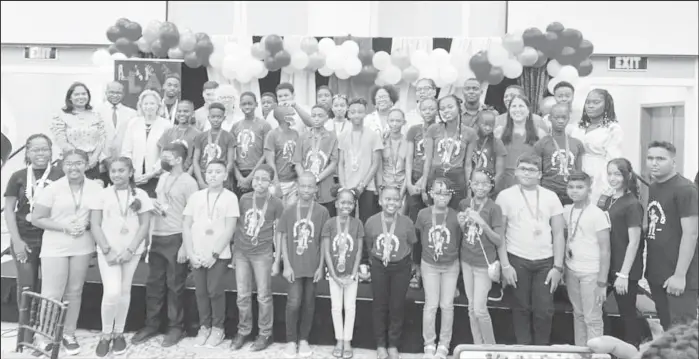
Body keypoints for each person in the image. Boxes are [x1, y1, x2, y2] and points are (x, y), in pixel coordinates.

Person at [31, 149, 103, 355]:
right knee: (52, 293)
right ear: (62, 166)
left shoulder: (95, 188)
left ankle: (68, 333)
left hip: (82, 245)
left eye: (79, 163)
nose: (74, 167)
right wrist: (64, 227)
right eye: (69, 163)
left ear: (86, 165)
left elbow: (97, 217)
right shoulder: (52, 189)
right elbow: (37, 219)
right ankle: (42, 336)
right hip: (55, 246)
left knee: (75, 291)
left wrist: (87, 224)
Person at [131, 143, 198, 347]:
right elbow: (161, 203)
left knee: (175, 285)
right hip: (158, 236)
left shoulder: (189, 182)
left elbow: (193, 216)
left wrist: (185, 246)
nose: (162, 160)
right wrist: (151, 204)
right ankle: (151, 325)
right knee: (154, 285)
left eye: (167, 157)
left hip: (176, 236)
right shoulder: (162, 178)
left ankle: (176, 327)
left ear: (178, 160)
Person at [495, 153, 565, 345]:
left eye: (532, 170)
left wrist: (558, 267)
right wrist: (505, 265)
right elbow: (500, 233)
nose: (527, 173)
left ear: (540, 174)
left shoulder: (551, 197)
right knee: (520, 308)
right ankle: (523, 350)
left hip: (545, 261)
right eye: (523, 169)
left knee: (544, 310)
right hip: (517, 258)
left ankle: (541, 350)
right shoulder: (505, 196)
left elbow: (559, 234)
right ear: (516, 172)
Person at [90, 157, 153, 357]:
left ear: (131, 172)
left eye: (121, 170)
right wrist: (107, 250)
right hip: (108, 251)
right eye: (113, 171)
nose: (117, 174)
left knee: (124, 290)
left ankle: (119, 332)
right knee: (112, 292)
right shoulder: (102, 195)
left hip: (131, 252)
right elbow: (95, 224)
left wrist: (131, 250)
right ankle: (106, 333)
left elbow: (144, 225)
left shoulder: (141, 194)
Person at [183, 159, 239, 348]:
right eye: (209, 171)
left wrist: (213, 254)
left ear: (225, 175)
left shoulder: (230, 197)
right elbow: (186, 225)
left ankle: (218, 328)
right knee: (201, 292)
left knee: (215, 291)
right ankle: (204, 326)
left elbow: (229, 229)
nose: (213, 175)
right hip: (197, 253)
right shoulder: (196, 196)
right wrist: (190, 252)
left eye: (217, 172)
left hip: (218, 254)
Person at [4, 134, 63, 312]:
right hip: (25, 239)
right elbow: (9, 210)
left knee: (50, 289)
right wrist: (17, 241)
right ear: (27, 152)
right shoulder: (18, 176)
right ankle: (25, 335)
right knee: (26, 287)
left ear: (51, 152)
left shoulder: (60, 175)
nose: (41, 153)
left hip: (52, 240)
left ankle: (44, 331)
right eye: (35, 149)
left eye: (45, 149)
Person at [645, 141, 698, 329]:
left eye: (660, 158)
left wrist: (680, 275)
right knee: (668, 329)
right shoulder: (654, 186)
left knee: (682, 334)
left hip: (679, 275)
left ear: (673, 162)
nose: (654, 163)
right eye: (650, 158)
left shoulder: (685, 189)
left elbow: (691, 234)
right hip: (657, 273)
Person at [231, 164, 284, 352]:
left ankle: (265, 333)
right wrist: (235, 253)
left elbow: (279, 233)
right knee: (242, 295)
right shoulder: (244, 199)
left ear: (270, 183)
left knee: (263, 295)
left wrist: (277, 260)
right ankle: (244, 330)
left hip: (263, 254)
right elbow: (238, 227)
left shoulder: (276, 203)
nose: (259, 182)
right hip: (243, 253)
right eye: (256, 178)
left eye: (264, 179)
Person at [279, 172, 330, 358]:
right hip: (294, 266)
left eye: (310, 186)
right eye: (303, 186)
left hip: (313, 266)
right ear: (297, 187)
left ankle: (303, 339)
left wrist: (321, 267)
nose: (306, 189)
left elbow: (324, 241)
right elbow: (283, 238)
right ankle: (291, 341)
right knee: (293, 303)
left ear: (316, 189)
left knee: (309, 303)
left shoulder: (322, 212)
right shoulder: (289, 210)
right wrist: (286, 265)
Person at [364, 185, 417, 359]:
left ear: (401, 202)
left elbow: (411, 244)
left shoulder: (407, 223)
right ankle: (380, 344)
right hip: (379, 267)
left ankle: (393, 344)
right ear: (379, 201)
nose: (392, 202)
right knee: (379, 304)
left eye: (396, 199)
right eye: (387, 199)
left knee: (397, 305)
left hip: (401, 268)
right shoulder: (371, 222)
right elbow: (369, 245)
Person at [415, 178, 462, 359]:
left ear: (451, 196)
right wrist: (417, 265)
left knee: (447, 305)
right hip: (429, 265)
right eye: (438, 192)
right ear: (430, 194)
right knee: (431, 305)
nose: (442, 196)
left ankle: (444, 344)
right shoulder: (423, 214)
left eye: (446, 193)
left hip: (450, 266)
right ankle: (429, 344)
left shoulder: (456, 216)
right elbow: (419, 241)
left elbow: (460, 241)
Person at [600, 158, 644, 347]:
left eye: (617, 174)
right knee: (598, 307)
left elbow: (634, 242)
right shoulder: (609, 199)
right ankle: (608, 344)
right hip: (608, 265)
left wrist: (623, 274)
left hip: (624, 269)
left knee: (627, 313)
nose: (613, 178)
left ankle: (633, 348)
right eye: (610, 173)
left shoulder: (632, 204)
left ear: (627, 175)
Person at [563, 171, 611, 346]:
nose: (574, 191)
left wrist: (601, 283)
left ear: (589, 189)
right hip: (571, 269)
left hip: (591, 273)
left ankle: (596, 353)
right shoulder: (566, 210)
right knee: (578, 314)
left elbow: (606, 250)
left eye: (580, 187)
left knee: (593, 318)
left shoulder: (597, 214)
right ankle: (580, 351)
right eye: (571, 187)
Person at [457, 168, 503, 345]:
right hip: (466, 260)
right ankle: (478, 347)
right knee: (471, 308)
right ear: (470, 184)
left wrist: (482, 222)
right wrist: (461, 225)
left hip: (484, 264)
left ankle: (491, 348)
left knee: (480, 309)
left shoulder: (494, 208)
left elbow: (498, 240)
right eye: (476, 183)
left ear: (491, 186)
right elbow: (465, 234)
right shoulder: (464, 203)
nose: (480, 187)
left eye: (484, 183)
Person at [322, 186, 364, 359]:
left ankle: (348, 340)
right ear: (337, 203)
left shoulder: (357, 224)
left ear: (354, 205)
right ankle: (339, 339)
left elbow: (359, 252)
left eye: (350, 203)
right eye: (343, 202)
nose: (346, 206)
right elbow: (326, 252)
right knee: (336, 307)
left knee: (350, 307)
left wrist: (353, 275)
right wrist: (333, 275)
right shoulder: (330, 223)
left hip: (350, 275)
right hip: (334, 275)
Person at [405, 98, 438, 290]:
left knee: (432, 226)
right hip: (414, 183)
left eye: (432, 108)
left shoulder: (441, 131)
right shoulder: (413, 130)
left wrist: (422, 183)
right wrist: (409, 182)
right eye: (424, 108)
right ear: (419, 110)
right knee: (415, 226)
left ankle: (431, 267)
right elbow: (409, 158)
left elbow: (434, 159)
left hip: (433, 181)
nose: (428, 111)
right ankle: (415, 267)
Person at [423, 95, 478, 209]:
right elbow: (428, 160)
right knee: (436, 212)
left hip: (457, 176)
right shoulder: (433, 129)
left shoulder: (470, 133)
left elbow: (468, 164)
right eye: (442, 109)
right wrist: (424, 186)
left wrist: (469, 191)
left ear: (458, 107)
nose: (446, 111)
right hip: (436, 175)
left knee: (456, 213)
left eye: (450, 107)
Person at [570, 89, 623, 205]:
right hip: (577, 173)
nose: (590, 106)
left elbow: (613, 160)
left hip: (599, 175)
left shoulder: (612, 128)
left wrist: (607, 189)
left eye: (596, 102)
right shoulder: (578, 127)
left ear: (606, 105)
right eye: (588, 102)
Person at [338, 98, 383, 223]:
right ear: (348, 113)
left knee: (366, 219)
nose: (356, 115)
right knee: (347, 220)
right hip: (347, 185)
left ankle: (365, 243)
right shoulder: (343, 135)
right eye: (353, 112)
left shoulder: (374, 135)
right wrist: (343, 186)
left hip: (367, 186)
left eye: (360, 112)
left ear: (365, 114)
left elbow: (375, 163)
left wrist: (363, 185)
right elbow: (341, 163)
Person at [50, 82, 107, 180]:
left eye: (84, 94)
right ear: (70, 97)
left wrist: (94, 158)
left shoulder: (96, 115)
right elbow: (61, 141)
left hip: (92, 164)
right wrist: (80, 159)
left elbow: (102, 138)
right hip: (70, 163)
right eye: (76, 94)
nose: (81, 97)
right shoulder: (60, 115)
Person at [121, 90, 172, 198]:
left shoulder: (166, 125)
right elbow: (126, 150)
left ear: (158, 105)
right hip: (135, 176)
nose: (149, 106)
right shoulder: (133, 123)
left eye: (152, 103)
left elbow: (166, 153)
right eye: (146, 104)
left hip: (156, 176)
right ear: (141, 106)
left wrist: (152, 173)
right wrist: (131, 171)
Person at [534, 103, 585, 205]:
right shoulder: (541, 143)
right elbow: (537, 172)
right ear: (549, 118)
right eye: (557, 117)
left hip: (570, 193)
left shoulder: (577, 144)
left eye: (564, 117)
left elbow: (579, 172)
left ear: (568, 119)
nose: (561, 121)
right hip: (548, 191)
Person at [293, 105, 339, 217]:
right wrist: (306, 179)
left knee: (326, 217)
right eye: (313, 116)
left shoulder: (332, 137)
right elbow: (297, 162)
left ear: (327, 118)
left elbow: (333, 163)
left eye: (320, 116)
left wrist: (317, 178)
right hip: (306, 187)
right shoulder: (303, 137)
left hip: (326, 186)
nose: (316, 118)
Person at [494, 95, 546, 194]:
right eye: (513, 106)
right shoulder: (499, 132)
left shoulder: (540, 133)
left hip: (530, 181)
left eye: (521, 106)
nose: (517, 109)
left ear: (528, 110)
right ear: (509, 111)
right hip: (505, 183)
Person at [231, 92, 272, 198]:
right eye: (244, 104)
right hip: (238, 173)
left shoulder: (264, 125)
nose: (247, 106)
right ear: (240, 106)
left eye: (250, 103)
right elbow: (231, 155)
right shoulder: (235, 126)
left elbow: (266, 153)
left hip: (257, 171)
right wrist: (239, 178)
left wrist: (250, 178)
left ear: (256, 104)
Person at [192, 102, 235, 190]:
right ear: (208, 118)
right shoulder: (200, 136)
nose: (216, 120)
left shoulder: (229, 136)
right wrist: (200, 180)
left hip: (222, 181)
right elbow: (195, 160)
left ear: (224, 118)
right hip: (204, 178)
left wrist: (222, 177)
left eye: (219, 117)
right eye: (213, 117)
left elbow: (230, 161)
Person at [264, 106, 300, 208]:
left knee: (292, 212)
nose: (294, 116)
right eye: (292, 114)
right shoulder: (272, 135)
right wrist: (276, 183)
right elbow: (270, 161)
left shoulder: (295, 133)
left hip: (294, 182)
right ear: (285, 117)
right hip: (280, 182)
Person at [97, 81, 137, 162]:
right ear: (106, 92)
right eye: (111, 92)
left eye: (118, 93)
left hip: (124, 161)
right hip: (101, 160)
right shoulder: (96, 112)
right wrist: (103, 159)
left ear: (123, 94)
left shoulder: (132, 113)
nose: (115, 95)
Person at [157, 100, 201, 174]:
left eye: (186, 111)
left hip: (187, 174)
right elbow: (162, 156)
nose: (182, 114)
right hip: (168, 174)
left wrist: (186, 176)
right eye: (179, 111)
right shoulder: (168, 132)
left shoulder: (198, 134)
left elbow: (195, 160)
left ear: (193, 114)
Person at [377, 109, 408, 197]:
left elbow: (408, 169)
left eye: (398, 121)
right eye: (391, 120)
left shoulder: (408, 142)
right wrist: (380, 190)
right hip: (385, 186)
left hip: (402, 187)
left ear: (404, 122)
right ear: (387, 121)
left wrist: (402, 193)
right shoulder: (382, 141)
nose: (394, 124)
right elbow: (379, 168)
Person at [472, 110, 507, 187]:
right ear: (477, 123)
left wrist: (491, 186)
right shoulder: (471, 140)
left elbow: (500, 172)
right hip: (471, 183)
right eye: (484, 124)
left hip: (488, 185)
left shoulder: (497, 143)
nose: (488, 128)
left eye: (491, 125)